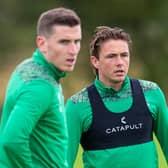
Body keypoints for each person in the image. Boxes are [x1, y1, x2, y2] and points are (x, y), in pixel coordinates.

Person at [65, 26, 168, 168]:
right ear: (95, 61)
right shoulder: (77, 104)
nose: (120, 62)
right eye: (111, 56)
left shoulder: (151, 92)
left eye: (124, 55)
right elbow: (63, 161)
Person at [0, 7, 81, 168]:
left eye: (77, 41)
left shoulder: (29, 66)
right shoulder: (40, 86)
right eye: (64, 42)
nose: (73, 50)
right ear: (42, 43)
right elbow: (12, 141)